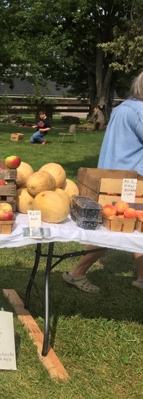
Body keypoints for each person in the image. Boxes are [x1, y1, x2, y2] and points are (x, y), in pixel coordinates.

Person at [63, 70, 143, 293]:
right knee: (115, 228)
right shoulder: (140, 111)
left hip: (114, 174)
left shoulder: (124, 107)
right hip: (129, 180)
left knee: (131, 227)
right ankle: (76, 273)